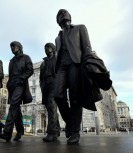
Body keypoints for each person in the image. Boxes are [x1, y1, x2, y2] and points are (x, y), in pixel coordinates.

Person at [54, 9, 92, 144]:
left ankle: (75, 131)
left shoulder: (80, 28)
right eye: (59, 14)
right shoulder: (57, 38)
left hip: (76, 64)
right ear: (57, 21)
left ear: (70, 16)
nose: (62, 14)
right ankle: (71, 124)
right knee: (57, 95)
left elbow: (87, 47)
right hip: (62, 67)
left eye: (65, 12)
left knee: (75, 98)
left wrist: (88, 65)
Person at [0, 41, 33, 142]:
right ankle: (20, 130)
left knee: (13, 105)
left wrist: (21, 78)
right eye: (11, 47)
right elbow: (11, 74)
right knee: (16, 108)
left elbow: (30, 70)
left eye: (14, 46)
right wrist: (8, 84)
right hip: (12, 86)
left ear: (19, 47)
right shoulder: (11, 61)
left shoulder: (26, 57)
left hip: (20, 84)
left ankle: (7, 133)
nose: (12, 48)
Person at [39, 43, 60, 142]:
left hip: (54, 84)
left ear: (53, 49)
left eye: (48, 47)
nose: (46, 49)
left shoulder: (57, 59)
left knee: (51, 106)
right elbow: (41, 77)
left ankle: (51, 133)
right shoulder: (43, 63)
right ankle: (56, 130)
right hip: (45, 86)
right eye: (45, 47)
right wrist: (42, 85)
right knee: (50, 108)